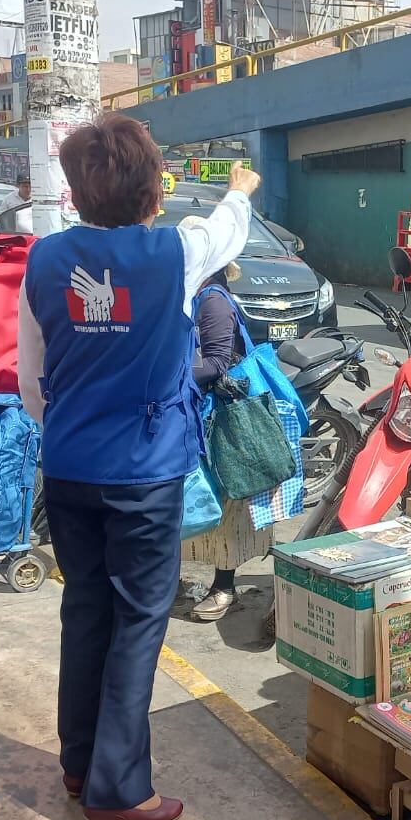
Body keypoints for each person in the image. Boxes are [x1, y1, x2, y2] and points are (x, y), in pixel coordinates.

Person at [17, 114, 256, 820]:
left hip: (67, 467)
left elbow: (33, 379)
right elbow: (228, 228)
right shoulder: (173, 251)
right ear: (155, 189)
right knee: (137, 624)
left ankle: (79, 760)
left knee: (86, 608)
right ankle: (119, 787)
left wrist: (69, 429)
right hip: (144, 474)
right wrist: (240, 186)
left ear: (75, 191)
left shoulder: (44, 258)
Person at [178, 244, 270, 622]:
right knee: (198, 502)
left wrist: (166, 376)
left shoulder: (213, 301)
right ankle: (181, 579)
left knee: (226, 506)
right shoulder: (195, 298)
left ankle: (224, 587)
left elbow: (216, 363)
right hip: (199, 414)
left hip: (221, 420)